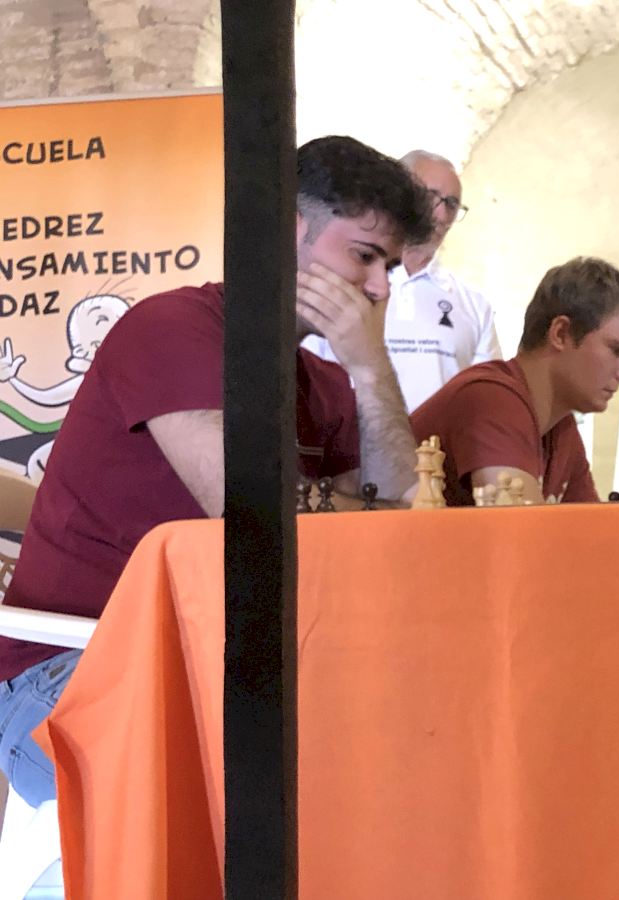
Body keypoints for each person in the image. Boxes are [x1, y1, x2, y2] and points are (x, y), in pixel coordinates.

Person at [0, 134, 433, 808]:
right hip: (72, 674)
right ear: (286, 229)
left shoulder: (327, 382)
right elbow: (256, 514)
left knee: (410, 740)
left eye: (391, 270)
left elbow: (400, 528)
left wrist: (371, 367)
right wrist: (350, 511)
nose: (380, 288)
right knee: (298, 791)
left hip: (220, 664)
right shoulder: (172, 327)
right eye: (364, 255)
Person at [411, 256, 619, 506]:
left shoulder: (562, 428)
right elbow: (519, 528)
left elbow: (592, 530)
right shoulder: (492, 398)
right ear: (561, 333)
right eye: (617, 351)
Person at [304, 149, 501, 411]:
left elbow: (486, 400)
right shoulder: (345, 283)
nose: (441, 214)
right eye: (429, 196)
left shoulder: (475, 306)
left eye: (452, 204)